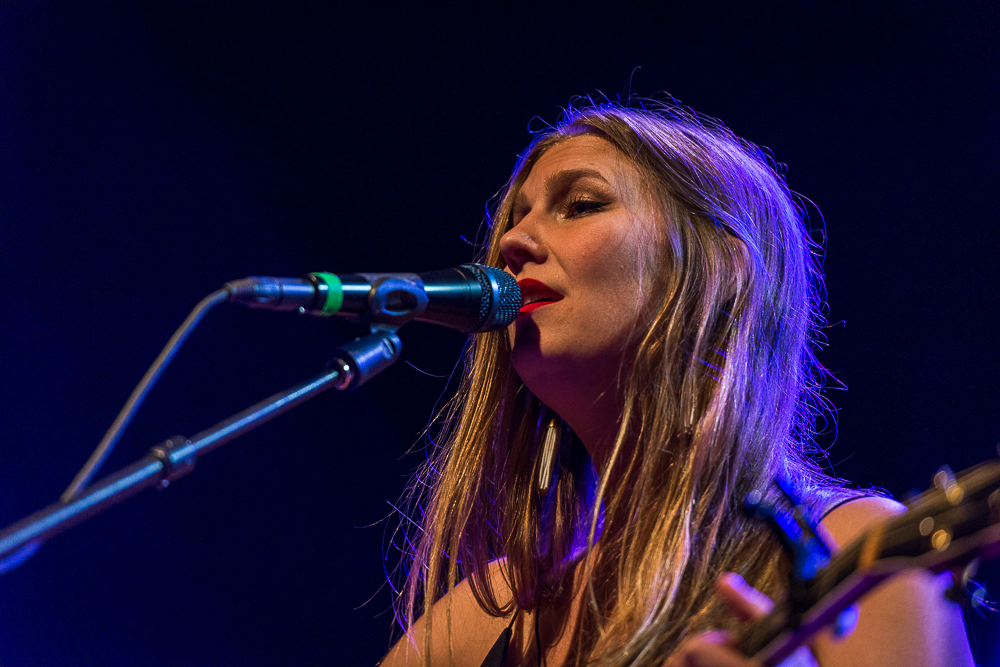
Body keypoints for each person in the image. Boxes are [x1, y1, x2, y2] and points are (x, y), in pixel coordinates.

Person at [381, 102, 974, 666]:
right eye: (515, 218)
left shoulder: (860, 556)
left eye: (581, 204)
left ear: (721, 271)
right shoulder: (489, 613)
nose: (511, 243)